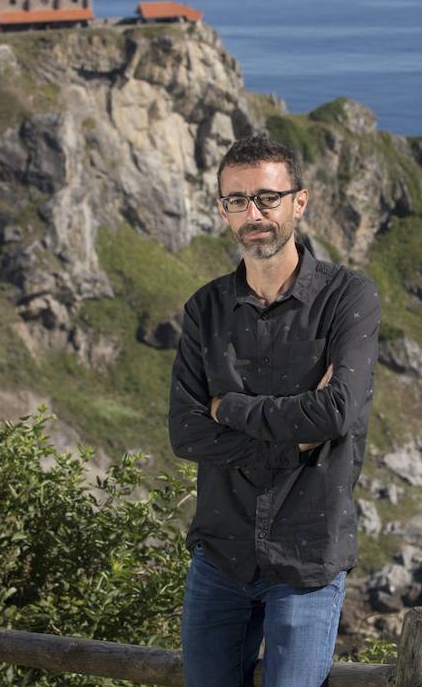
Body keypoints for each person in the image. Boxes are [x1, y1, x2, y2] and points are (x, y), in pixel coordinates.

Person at [169, 135, 380, 687]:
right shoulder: (206, 308)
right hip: (220, 559)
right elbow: (187, 432)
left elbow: (336, 412)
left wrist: (230, 407)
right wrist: (295, 436)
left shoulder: (348, 298)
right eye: (237, 200)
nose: (253, 214)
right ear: (222, 210)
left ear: (299, 202)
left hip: (307, 559)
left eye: (267, 197)